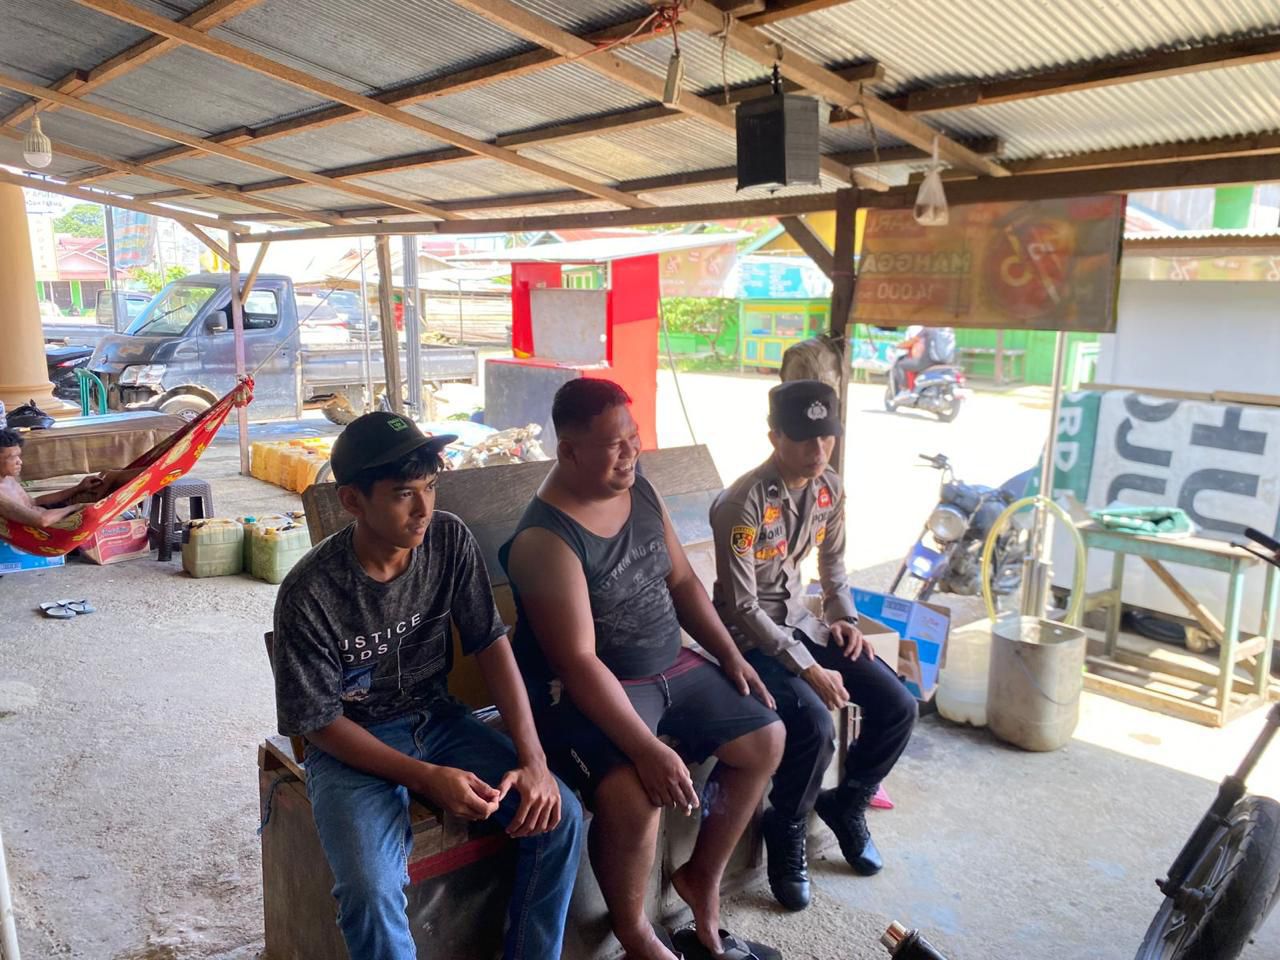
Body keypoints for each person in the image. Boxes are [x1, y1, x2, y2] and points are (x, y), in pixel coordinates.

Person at [269, 412, 582, 960]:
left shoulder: (447, 539)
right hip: (350, 745)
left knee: (560, 816)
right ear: (352, 500)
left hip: (437, 719)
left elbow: (490, 643)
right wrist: (427, 778)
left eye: (430, 487)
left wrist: (533, 761)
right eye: (403, 494)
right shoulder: (310, 592)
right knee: (368, 890)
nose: (423, 509)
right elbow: (319, 724)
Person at [502, 379, 785, 960]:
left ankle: (701, 876)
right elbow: (579, 663)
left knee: (766, 738)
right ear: (569, 452)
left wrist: (730, 654)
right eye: (614, 444)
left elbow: (682, 581)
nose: (631, 452)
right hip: (592, 688)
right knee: (635, 793)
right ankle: (634, 931)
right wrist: (648, 748)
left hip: (672, 664)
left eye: (633, 437)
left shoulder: (640, 487)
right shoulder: (545, 539)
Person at [710, 380, 917, 911]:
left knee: (898, 704)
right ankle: (786, 825)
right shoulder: (743, 503)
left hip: (802, 621)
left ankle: (847, 802)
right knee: (815, 725)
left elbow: (833, 562)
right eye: (804, 438)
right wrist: (807, 668)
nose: (818, 449)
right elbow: (743, 606)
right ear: (774, 436)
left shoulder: (829, 488)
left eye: (827, 436)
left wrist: (843, 617)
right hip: (749, 639)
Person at [0, 428, 101, 527]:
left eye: (19, 456)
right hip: (42, 531)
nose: (20, 462)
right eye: (12, 457)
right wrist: (75, 507)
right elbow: (41, 521)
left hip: (46, 514)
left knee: (104, 484)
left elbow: (33, 503)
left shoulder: (8, 477)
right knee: (95, 505)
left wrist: (78, 488)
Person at [890, 324, 955, 398]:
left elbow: (912, 342)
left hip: (927, 362)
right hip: (945, 363)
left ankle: (904, 390)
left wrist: (898, 346)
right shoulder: (949, 331)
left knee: (900, 364)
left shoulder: (927, 329)